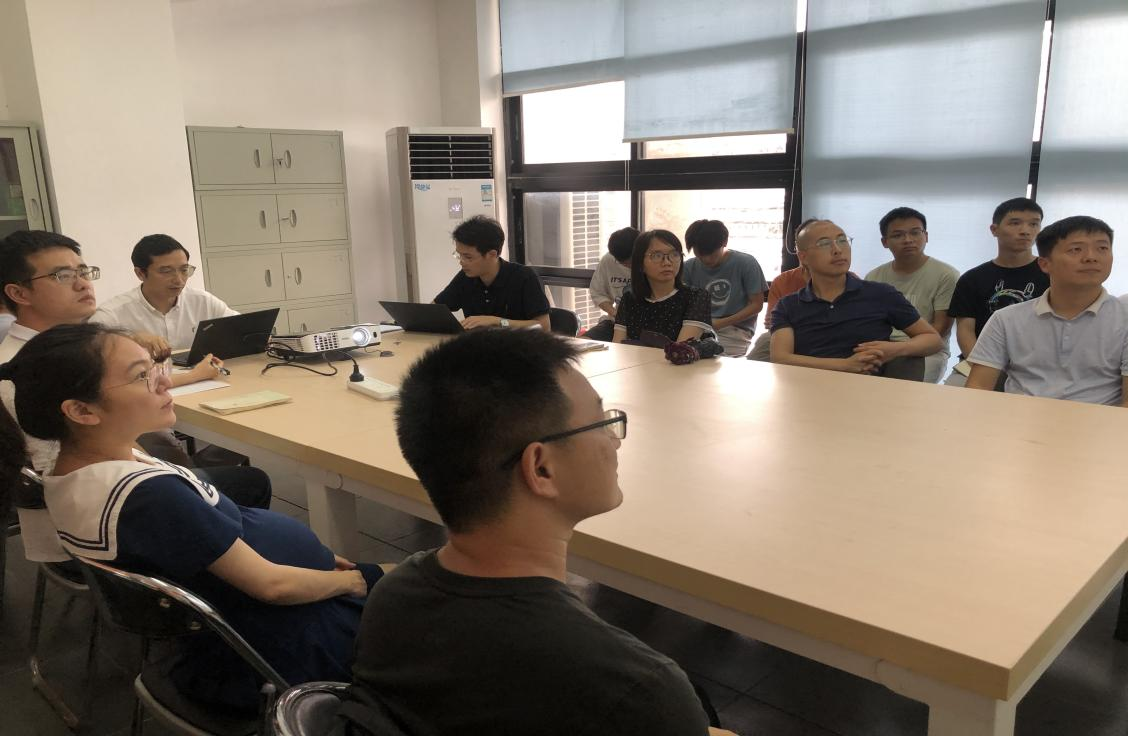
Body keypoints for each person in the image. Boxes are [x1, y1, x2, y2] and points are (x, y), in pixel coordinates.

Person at [340, 329, 735, 736]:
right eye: (601, 423)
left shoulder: (391, 600)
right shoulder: (636, 690)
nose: (614, 442)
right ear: (541, 468)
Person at [0, 322, 387, 712]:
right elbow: (273, 586)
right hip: (287, 638)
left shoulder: (84, 467)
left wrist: (316, 558)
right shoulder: (148, 498)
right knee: (412, 587)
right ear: (82, 411)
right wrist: (352, 580)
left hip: (257, 617)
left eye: (154, 369)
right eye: (141, 376)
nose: (165, 383)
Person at [0, 230, 269, 564]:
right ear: (18, 293)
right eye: (63, 276)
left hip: (123, 494)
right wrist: (175, 483)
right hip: (104, 528)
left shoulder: (69, 348)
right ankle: (241, 566)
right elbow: (62, 479)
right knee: (252, 483)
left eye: (84, 271)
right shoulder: (24, 371)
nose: (83, 284)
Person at [966, 216, 1128, 405]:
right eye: (1076, 249)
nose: (1091, 257)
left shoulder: (1123, 318)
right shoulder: (1006, 319)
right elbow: (978, 387)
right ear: (1044, 264)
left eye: (1102, 248)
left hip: (1099, 419)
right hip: (1019, 416)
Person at [770, 220, 943, 374]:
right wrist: (844, 365)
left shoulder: (881, 294)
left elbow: (933, 339)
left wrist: (895, 349)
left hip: (869, 390)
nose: (838, 250)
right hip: (806, 387)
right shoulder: (788, 305)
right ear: (803, 257)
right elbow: (780, 358)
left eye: (842, 240)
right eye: (824, 243)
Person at [945, 198, 1047, 386]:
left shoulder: (1052, 274)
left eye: (1034, 224)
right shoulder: (972, 278)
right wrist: (982, 364)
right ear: (994, 230)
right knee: (955, 391)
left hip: (1037, 364)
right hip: (980, 360)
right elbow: (965, 330)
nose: (1025, 231)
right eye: (1015, 223)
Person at [93, 233, 237, 353]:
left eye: (184, 270)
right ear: (140, 273)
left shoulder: (202, 301)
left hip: (200, 376)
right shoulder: (114, 312)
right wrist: (131, 338)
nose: (179, 280)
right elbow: (88, 345)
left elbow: (241, 327)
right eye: (166, 271)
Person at [865, 207, 959, 383]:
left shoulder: (946, 275)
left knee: (902, 388)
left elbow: (940, 329)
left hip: (927, 350)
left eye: (915, 233)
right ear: (884, 242)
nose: (908, 240)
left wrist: (899, 348)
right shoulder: (873, 276)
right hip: (882, 347)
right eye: (898, 235)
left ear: (926, 236)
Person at [434, 215, 551, 331]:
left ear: (492, 254)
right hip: (478, 341)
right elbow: (433, 311)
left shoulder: (524, 277)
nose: (461, 262)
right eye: (459, 255)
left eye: (468, 257)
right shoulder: (465, 277)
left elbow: (543, 326)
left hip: (518, 342)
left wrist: (498, 322)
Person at [612, 230, 712, 345]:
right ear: (640, 263)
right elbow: (618, 346)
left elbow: (681, 349)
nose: (667, 262)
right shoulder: (629, 299)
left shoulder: (696, 297)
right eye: (657, 256)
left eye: (674, 255)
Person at [682, 219, 766, 356]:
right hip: (698, 326)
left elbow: (756, 305)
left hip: (736, 329)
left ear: (725, 242)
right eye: (700, 255)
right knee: (680, 354)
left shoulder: (746, 263)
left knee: (714, 359)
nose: (706, 260)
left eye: (711, 254)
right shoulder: (688, 267)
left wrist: (720, 323)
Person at [584, 226, 637, 341]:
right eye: (623, 263)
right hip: (615, 322)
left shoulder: (654, 264)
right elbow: (598, 292)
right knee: (582, 342)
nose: (628, 266)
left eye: (631, 261)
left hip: (646, 327)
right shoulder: (609, 260)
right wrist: (614, 312)